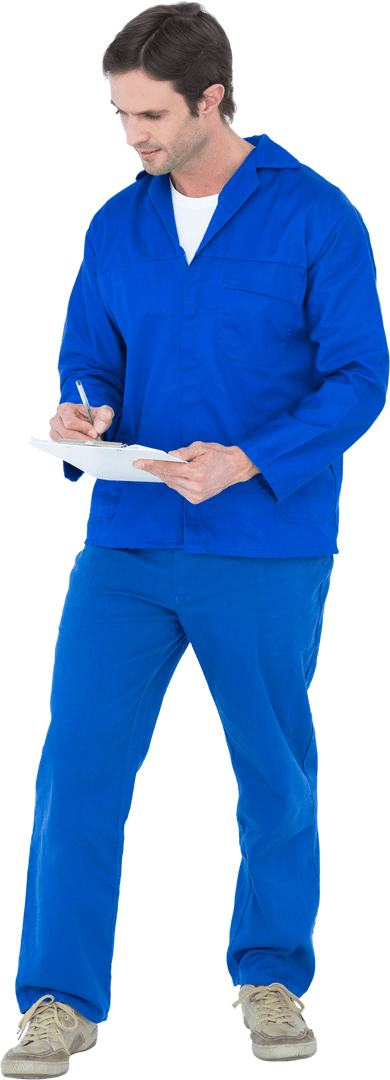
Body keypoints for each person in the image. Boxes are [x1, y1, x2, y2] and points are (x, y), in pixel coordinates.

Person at [2, 3, 389, 1076]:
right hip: (124, 542)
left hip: (262, 545)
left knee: (274, 772)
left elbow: (362, 376)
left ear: (213, 98)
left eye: (151, 114)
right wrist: (82, 413)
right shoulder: (113, 223)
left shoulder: (317, 217)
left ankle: (270, 976)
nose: (134, 135)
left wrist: (252, 458)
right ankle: (59, 1001)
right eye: (122, 113)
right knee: (75, 770)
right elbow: (90, 358)